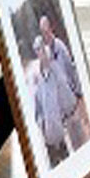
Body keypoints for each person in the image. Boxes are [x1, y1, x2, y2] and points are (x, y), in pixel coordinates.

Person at [32, 36, 78, 167]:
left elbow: (67, 96)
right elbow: (37, 106)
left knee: (68, 165)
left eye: (42, 49)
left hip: (61, 131)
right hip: (48, 135)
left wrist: (64, 116)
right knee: (54, 167)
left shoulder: (55, 70)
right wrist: (42, 123)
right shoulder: (38, 78)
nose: (41, 52)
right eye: (38, 50)